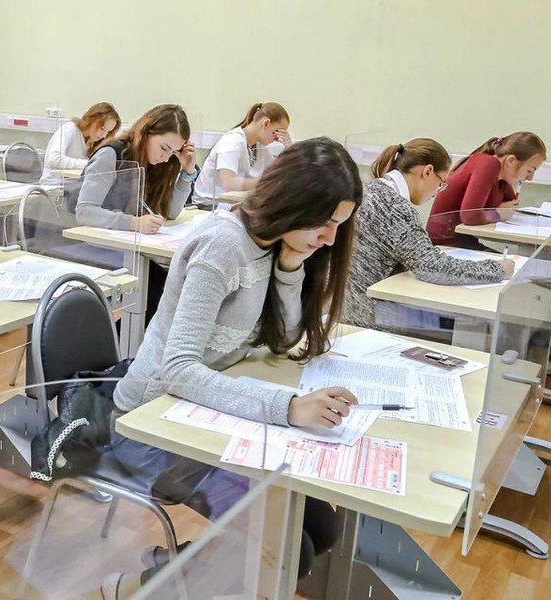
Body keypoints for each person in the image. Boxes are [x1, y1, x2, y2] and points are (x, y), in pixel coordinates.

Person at [102, 137, 362, 596]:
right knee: (290, 549)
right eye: (325, 223)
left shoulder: (273, 243)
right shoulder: (222, 245)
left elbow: (283, 340)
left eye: (338, 225)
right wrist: (289, 407)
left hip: (199, 414)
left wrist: (290, 268)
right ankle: (136, 589)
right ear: (292, 200)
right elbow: (178, 370)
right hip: (148, 429)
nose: (330, 239)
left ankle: (191, 564)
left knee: (320, 528)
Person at [345, 138, 513, 330]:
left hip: (351, 305)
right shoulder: (395, 207)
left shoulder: (371, 189)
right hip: (369, 315)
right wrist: (497, 269)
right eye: (441, 183)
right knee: (471, 323)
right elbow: (431, 267)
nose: (436, 193)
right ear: (427, 171)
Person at [74, 104, 195, 233]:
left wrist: (187, 173)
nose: (165, 158)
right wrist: (134, 223)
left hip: (124, 240)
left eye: (173, 152)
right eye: (164, 148)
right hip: (90, 239)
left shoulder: (157, 163)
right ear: (146, 132)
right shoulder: (110, 154)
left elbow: (169, 213)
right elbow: (85, 212)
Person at [426, 132, 547, 248]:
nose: (530, 178)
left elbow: (509, 203)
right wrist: (499, 214)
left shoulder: (501, 176)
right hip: (444, 247)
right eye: (529, 170)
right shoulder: (488, 164)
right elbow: (470, 216)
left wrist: (505, 205)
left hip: (465, 243)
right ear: (510, 161)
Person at [195, 102, 292, 201]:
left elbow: (277, 173)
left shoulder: (260, 145)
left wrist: (289, 148)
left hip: (233, 203)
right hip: (209, 204)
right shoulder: (232, 141)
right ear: (266, 123)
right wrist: (265, 182)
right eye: (276, 133)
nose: (277, 139)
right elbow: (228, 183)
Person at [40, 102, 121, 182]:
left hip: (73, 186)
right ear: (92, 120)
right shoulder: (70, 129)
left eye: (108, 132)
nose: (104, 135)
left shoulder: (95, 142)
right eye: (102, 128)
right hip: (52, 184)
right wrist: (90, 164)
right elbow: (53, 159)